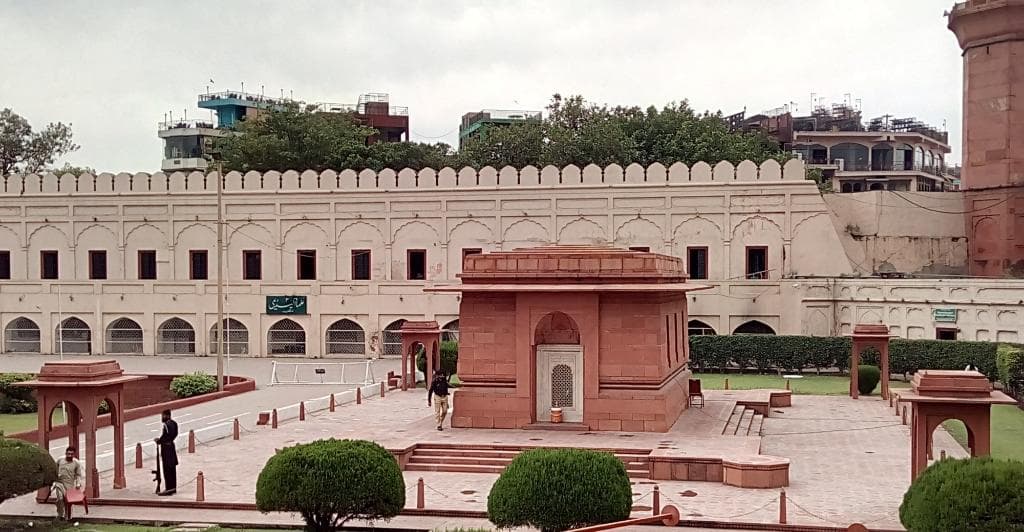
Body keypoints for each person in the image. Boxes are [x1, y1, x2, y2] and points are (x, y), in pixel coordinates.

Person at [52, 446, 83, 520]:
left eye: (71, 454)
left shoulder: (76, 463)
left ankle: (68, 516)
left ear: (74, 454)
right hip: (59, 483)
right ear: (65, 453)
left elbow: (78, 475)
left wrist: (78, 484)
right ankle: (60, 514)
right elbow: (54, 470)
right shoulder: (60, 460)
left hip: (69, 484)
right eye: (68, 454)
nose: (69, 455)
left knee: (67, 501)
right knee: (60, 498)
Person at [153, 409, 178, 495]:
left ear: (167, 415)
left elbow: (165, 436)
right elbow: (175, 434)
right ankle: (173, 487)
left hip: (166, 449)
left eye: (163, 416)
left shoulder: (167, 425)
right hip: (171, 446)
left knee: (167, 469)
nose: (162, 417)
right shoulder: (174, 423)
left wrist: (159, 441)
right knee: (172, 469)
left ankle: (169, 488)